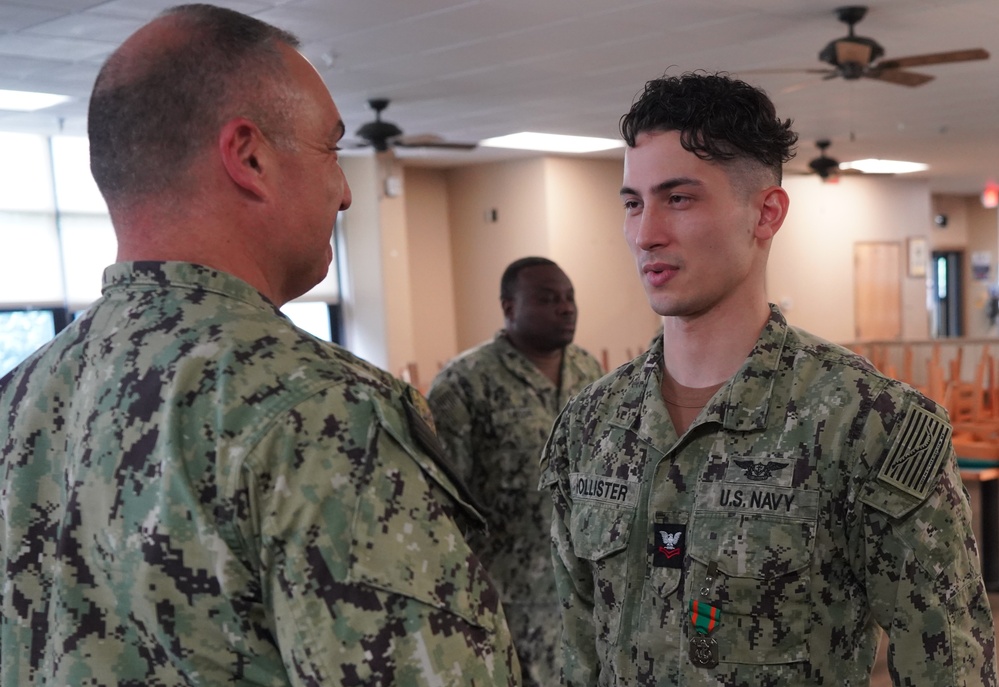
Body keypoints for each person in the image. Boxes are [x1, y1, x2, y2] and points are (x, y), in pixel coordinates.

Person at [0, 5, 520, 685]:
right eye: (331, 149)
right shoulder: (322, 410)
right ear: (248, 156)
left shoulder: (20, 401)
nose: (344, 196)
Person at [539, 71, 998, 686]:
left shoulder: (869, 424)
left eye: (679, 198)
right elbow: (575, 652)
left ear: (766, 213)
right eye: (632, 202)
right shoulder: (590, 425)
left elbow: (950, 668)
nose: (645, 233)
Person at [428, 256, 604, 686]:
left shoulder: (591, 373)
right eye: (547, 299)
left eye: (569, 298)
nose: (566, 308)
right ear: (509, 307)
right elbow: (441, 507)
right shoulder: (464, 384)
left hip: (583, 596)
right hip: (504, 604)